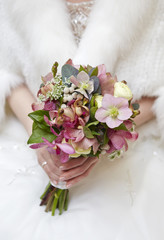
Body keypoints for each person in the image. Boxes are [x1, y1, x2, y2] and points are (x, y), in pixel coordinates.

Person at [0, 0, 164, 239]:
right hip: (29, 137)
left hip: (127, 147)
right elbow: (7, 72)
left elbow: (158, 88)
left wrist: (103, 135)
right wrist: (42, 137)